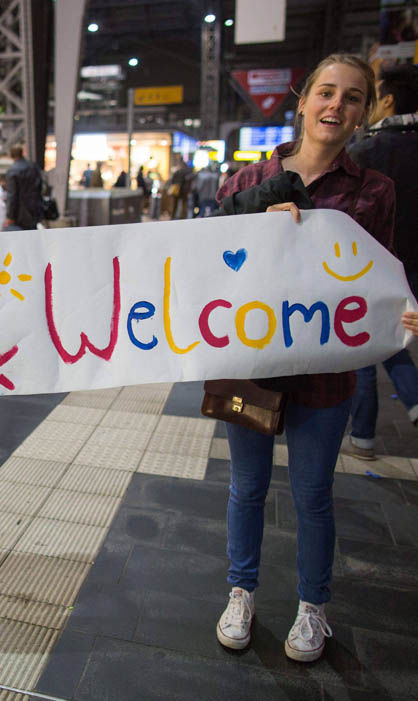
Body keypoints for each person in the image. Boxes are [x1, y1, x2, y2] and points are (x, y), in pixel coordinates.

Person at [211, 54, 397, 663]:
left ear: (365, 113)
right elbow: (209, 267)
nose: (335, 107)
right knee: (247, 487)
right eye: (325, 93)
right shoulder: (243, 183)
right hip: (250, 364)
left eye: (351, 98)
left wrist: (401, 311)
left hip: (326, 373)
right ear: (302, 99)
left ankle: (313, 607)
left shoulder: (374, 191)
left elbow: (379, 282)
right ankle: (242, 592)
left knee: (314, 493)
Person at [342, 63, 418, 460]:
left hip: (373, 265)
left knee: (366, 344)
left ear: (386, 100)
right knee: (396, 340)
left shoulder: (366, 153)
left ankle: (364, 436)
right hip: (416, 267)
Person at [3, 144, 43, 231]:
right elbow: (40, 188)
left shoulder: (12, 170)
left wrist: (9, 216)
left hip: (19, 214)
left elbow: (12, 195)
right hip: (34, 210)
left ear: (11, 155)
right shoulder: (34, 167)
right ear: (22, 153)